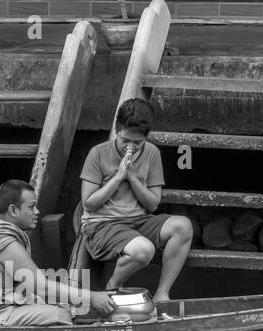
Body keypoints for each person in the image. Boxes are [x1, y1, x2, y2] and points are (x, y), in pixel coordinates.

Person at [0, 179, 115, 326]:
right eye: (31, 207)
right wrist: (92, 297)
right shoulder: (7, 245)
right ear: (13, 210)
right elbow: (42, 287)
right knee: (59, 314)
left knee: (63, 303)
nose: (37, 212)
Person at [79, 99, 193, 302]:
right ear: (117, 130)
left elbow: (152, 204)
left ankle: (162, 293)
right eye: (125, 141)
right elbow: (88, 203)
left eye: (138, 143)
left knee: (182, 226)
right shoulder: (97, 153)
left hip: (138, 221)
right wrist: (118, 177)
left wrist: (133, 177)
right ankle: (112, 288)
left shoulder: (152, 153)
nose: (130, 147)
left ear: (146, 137)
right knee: (144, 250)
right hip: (103, 225)